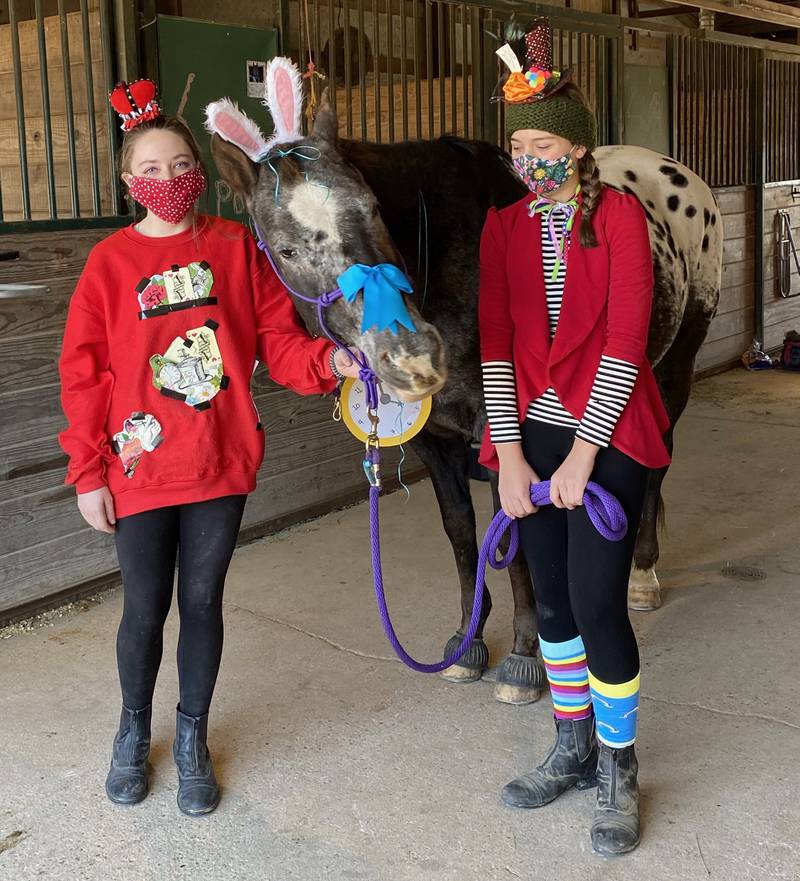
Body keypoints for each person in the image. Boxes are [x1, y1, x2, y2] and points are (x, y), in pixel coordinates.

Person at [58, 80, 358, 816]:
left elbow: (281, 341)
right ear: (130, 183)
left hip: (219, 460)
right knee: (144, 605)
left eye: (180, 164)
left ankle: (191, 734)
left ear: (200, 170)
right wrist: (87, 472)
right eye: (151, 170)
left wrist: (333, 363)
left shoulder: (233, 248)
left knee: (201, 599)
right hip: (140, 465)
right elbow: (83, 373)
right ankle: (134, 729)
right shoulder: (107, 264)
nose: (169, 180)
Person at [478, 22, 671, 855]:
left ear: (578, 145)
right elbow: (492, 343)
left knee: (597, 603)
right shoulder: (504, 229)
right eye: (520, 143)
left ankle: (619, 766)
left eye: (545, 141)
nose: (531, 155)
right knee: (549, 602)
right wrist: (512, 456)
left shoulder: (621, 217)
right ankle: (573, 740)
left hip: (609, 436)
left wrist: (585, 453)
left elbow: (627, 342)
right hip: (529, 436)